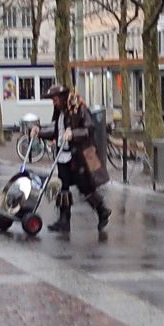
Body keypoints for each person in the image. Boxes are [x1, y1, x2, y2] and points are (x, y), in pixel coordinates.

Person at [45, 85, 111, 236]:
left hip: (78, 156)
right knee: (63, 187)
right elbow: (56, 131)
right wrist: (38, 131)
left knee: (85, 187)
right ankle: (64, 220)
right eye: (52, 100)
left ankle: (102, 210)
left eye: (55, 99)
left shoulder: (79, 108)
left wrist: (73, 134)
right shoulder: (59, 112)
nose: (54, 103)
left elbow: (89, 128)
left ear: (62, 98)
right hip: (63, 155)